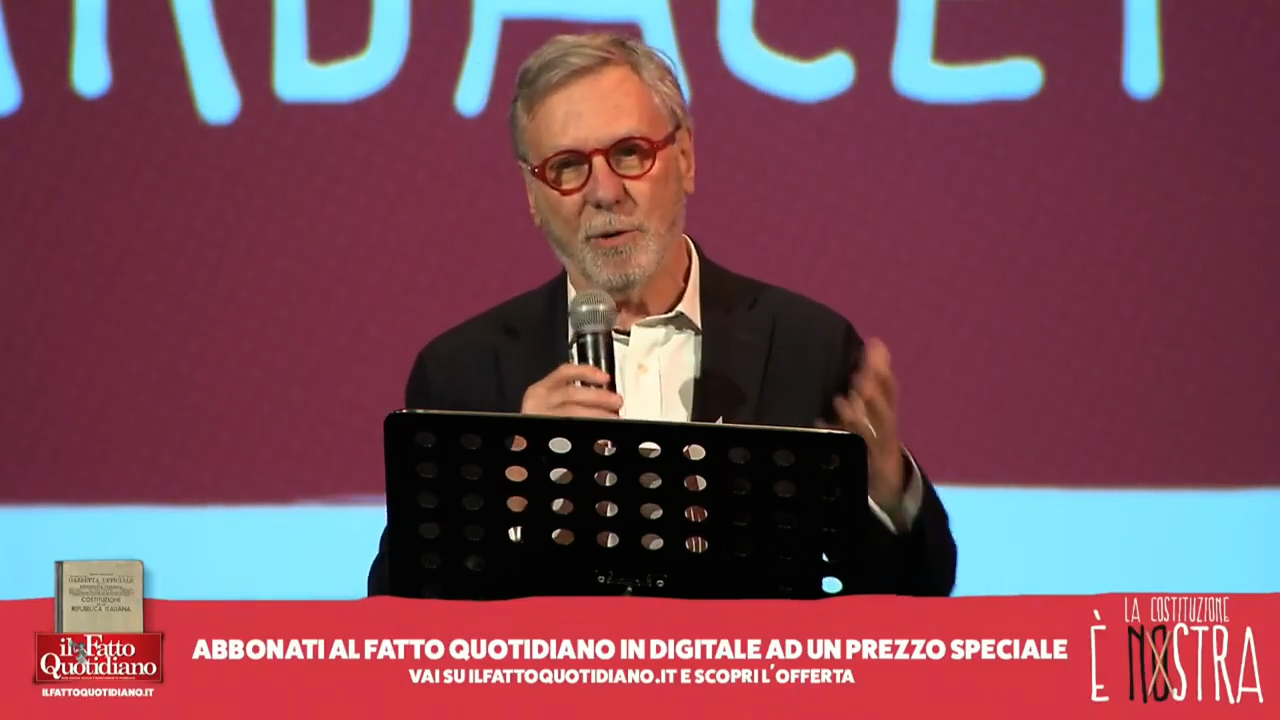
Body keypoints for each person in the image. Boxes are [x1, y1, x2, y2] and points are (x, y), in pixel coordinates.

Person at [367, 33, 957, 597]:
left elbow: (915, 598)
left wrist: (889, 494)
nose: (604, 191)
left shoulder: (807, 347)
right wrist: (510, 488)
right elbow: (398, 608)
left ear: (686, 158)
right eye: (567, 166)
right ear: (532, 196)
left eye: (630, 153)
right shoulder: (461, 374)